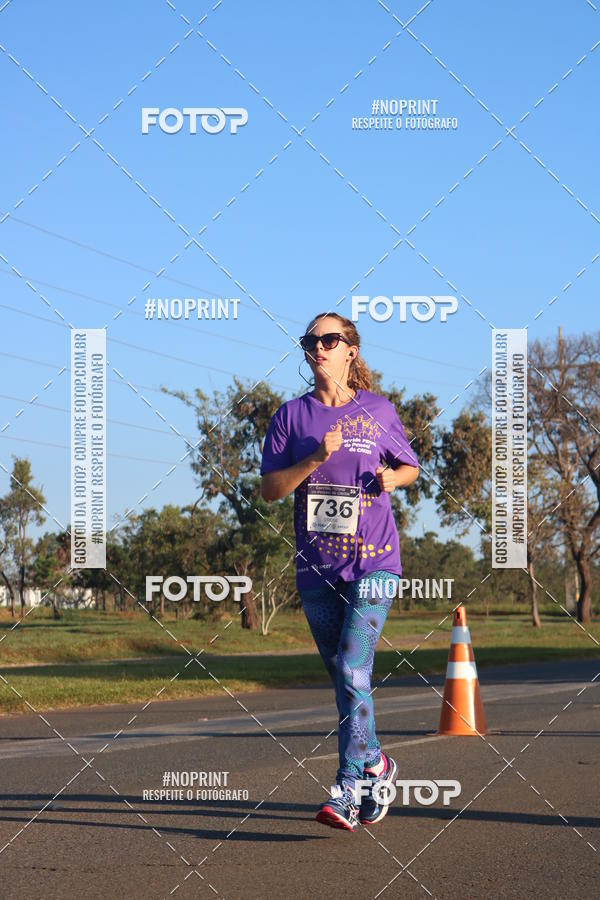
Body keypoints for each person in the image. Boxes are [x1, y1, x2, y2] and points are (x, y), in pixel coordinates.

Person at [260, 311, 419, 831]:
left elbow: (409, 466)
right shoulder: (291, 417)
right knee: (344, 677)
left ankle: (348, 789)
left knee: (354, 668)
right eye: (311, 340)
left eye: (330, 339)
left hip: (374, 560)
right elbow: (269, 490)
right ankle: (378, 763)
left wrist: (389, 479)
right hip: (316, 568)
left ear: (351, 349)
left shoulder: (377, 411)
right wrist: (311, 460)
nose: (319, 347)